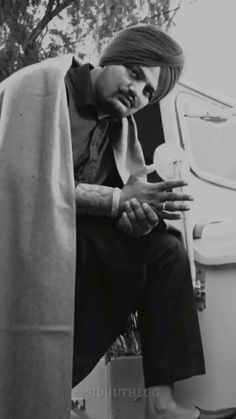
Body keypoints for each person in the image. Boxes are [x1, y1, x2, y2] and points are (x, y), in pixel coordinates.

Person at [0, 24, 235, 419]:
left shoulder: (120, 130)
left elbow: (123, 200)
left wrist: (139, 218)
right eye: (135, 72)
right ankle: (40, 395)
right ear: (110, 57)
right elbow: (21, 185)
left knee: (163, 251)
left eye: (148, 93)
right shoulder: (41, 86)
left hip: (68, 243)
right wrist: (118, 200)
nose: (137, 92)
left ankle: (160, 402)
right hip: (13, 239)